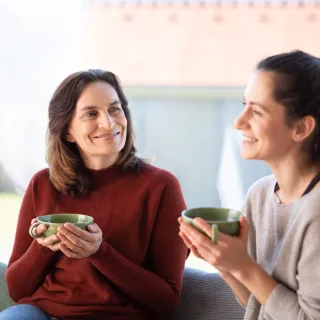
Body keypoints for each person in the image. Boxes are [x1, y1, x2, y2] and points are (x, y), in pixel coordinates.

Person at [2, 69, 188, 320]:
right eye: (91, 113)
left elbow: (166, 301)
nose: (108, 123)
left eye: (115, 109)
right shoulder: (43, 184)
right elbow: (17, 289)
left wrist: (99, 253)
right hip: (41, 314)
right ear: (67, 130)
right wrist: (43, 248)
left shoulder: (161, 187)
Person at [179, 50, 320, 319]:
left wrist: (243, 266)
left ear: (301, 128)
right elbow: (255, 304)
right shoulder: (261, 194)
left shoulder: (316, 210)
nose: (239, 122)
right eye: (244, 105)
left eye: (256, 111)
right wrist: (224, 264)